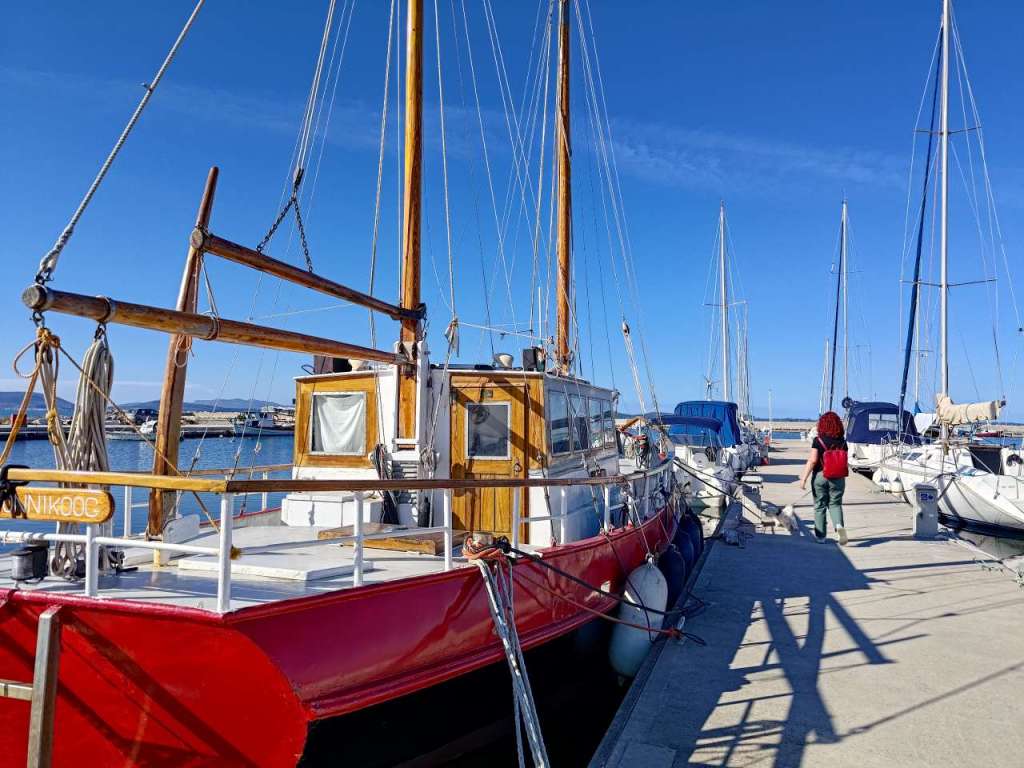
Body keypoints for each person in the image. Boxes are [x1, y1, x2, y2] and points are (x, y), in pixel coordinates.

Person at [798, 411, 848, 545]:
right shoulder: (843, 442)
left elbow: (813, 460)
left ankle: (821, 537)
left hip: (820, 476)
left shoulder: (818, 441)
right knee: (835, 504)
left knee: (819, 506)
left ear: (822, 425)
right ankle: (839, 527)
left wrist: (803, 479)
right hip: (838, 478)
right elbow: (844, 460)